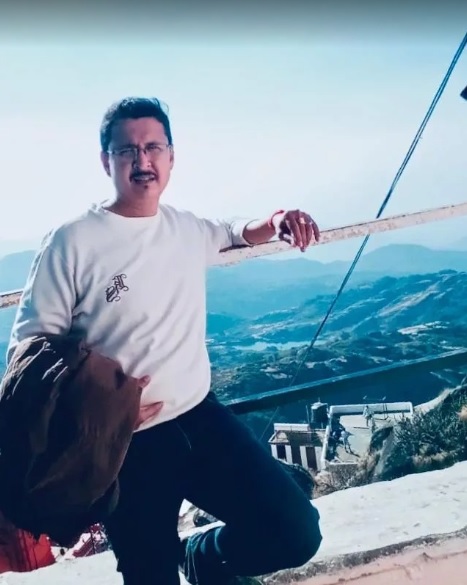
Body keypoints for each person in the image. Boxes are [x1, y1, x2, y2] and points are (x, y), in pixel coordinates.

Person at [7, 97, 323, 585]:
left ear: (171, 157)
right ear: (106, 161)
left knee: (294, 532)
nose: (142, 160)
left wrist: (277, 220)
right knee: (150, 576)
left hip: (199, 417)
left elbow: (231, 231)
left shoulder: (182, 227)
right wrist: (99, 413)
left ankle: (203, 555)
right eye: (127, 149)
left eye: (153, 147)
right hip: (123, 446)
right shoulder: (72, 240)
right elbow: (30, 350)